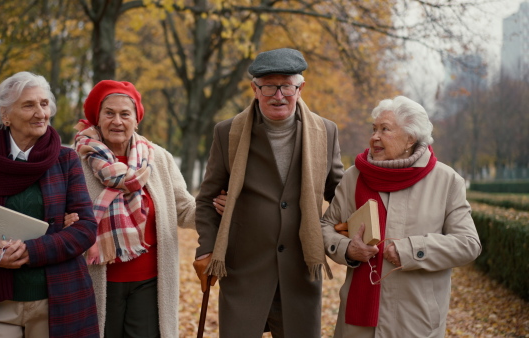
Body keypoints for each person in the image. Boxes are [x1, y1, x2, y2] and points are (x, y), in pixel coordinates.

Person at [193, 48, 344, 337]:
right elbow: (206, 200)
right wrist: (208, 249)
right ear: (254, 89)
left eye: (286, 85)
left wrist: (338, 229)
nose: (278, 95)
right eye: (268, 86)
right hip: (243, 269)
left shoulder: (326, 131)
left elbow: (337, 194)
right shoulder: (227, 133)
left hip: (300, 271)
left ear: (300, 88)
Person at [0, 71, 99, 337]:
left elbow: (85, 229)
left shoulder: (65, 160)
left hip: (58, 301)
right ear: (5, 114)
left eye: (44, 104)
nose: (41, 113)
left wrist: (31, 251)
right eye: (29, 105)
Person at [321, 96, 482, 338]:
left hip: (415, 321)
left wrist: (411, 251)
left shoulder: (446, 181)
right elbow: (326, 227)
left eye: (385, 129)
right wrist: (346, 249)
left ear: (410, 138)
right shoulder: (354, 176)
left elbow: (469, 244)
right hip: (357, 323)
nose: (375, 137)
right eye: (374, 129)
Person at [73, 80, 206, 338]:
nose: (117, 121)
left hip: (150, 283)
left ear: (137, 120)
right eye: (109, 113)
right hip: (96, 281)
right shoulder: (76, 161)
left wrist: (214, 207)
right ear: (97, 119)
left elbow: (185, 210)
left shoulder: (158, 159)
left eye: (125, 114)